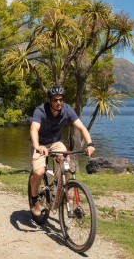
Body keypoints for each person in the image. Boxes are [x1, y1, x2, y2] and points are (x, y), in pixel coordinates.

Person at [29, 85, 95, 216]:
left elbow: (81, 127)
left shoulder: (67, 110)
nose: (58, 102)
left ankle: (59, 190)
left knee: (67, 163)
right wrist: (37, 146)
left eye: (60, 99)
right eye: (55, 100)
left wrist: (90, 144)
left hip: (55, 143)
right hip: (39, 143)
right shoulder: (40, 111)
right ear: (49, 100)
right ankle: (34, 198)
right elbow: (33, 129)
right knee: (39, 172)